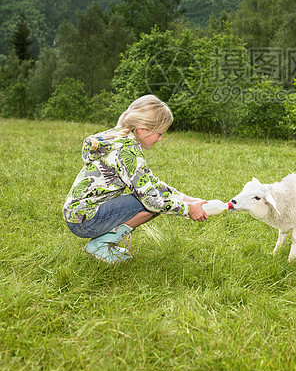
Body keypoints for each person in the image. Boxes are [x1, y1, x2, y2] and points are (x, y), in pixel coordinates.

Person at [63, 94, 208, 264]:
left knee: (152, 197)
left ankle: (103, 242)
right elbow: (151, 199)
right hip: (85, 221)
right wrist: (187, 209)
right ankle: (101, 244)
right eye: (159, 133)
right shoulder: (128, 151)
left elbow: (149, 181)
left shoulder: (120, 139)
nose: (161, 139)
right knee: (151, 203)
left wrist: (185, 198)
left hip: (78, 215)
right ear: (143, 129)